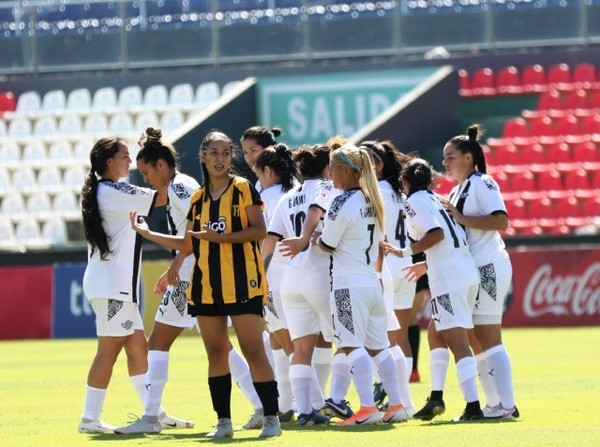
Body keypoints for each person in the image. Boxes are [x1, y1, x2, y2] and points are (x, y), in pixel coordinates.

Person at [129, 130, 281, 438]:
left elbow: (251, 231)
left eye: (226, 153)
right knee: (218, 350)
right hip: (202, 280)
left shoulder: (218, 189)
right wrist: (163, 251)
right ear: (203, 156)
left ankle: (270, 418)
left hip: (225, 278)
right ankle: (235, 416)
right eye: (214, 152)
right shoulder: (195, 194)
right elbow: (190, 240)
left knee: (248, 350)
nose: (220, 158)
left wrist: (209, 245)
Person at [382, 157, 484, 421]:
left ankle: (473, 406)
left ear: (404, 182)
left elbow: (436, 234)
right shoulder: (436, 199)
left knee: (458, 343)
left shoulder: (414, 202)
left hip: (450, 279)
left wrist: (404, 252)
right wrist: (426, 264)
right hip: (463, 271)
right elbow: (449, 239)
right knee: (436, 334)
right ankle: (436, 398)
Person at [317, 144, 409, 426]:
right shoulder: (374, 199)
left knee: (351, 345)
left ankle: (367, 408)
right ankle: (397, 404)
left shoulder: (342, 202)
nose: (330, 174)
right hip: (372, 282)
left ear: (346, 170)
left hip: (347, 284)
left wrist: (316, 240)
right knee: (380, 348)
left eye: (333, 168)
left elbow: (327, 243)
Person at [78, 136, 162, 433]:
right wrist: (163, 163)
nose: (130, 160)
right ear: (108, 160)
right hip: (114, 287)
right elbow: (160, 198)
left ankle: (154, 412)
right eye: (125, 155)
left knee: (138, 348)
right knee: (109, 350)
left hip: (116, 287)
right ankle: (89, 418)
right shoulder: (113, 190)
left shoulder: (105, 190)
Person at [441, 125, 518, 419]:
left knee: (488, 335)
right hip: (474, 267)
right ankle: (495, 401)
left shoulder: (483, 183)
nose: (445, 163)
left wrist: (461, 217)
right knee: (476, 337)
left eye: (450, 157)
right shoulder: (458, 188)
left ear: (469, 157)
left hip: (488, 265)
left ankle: (506, 404)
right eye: (445, 158)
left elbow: (501, 221)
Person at [263, 143, 338, 426]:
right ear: (328, 168)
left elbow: (269, 242)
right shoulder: (329, 191)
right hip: (321, 274)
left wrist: (254, 275)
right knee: (345, 340)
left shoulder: (288, 197)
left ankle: (306, 411)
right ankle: (339, 401)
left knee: (301, 348)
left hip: (291, 280)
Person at [360, 140, 416, 415]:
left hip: (387, 266)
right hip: (406, 264)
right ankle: (405, 400)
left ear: (377, 165)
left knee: (380, 339)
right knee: (400, 337)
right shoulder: (398, 192)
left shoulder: (376, 192)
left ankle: (391, 397)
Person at [252, 144, 299, 423]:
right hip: (303, 272)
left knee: (285, 340)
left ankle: (306, 401)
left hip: (274, 274)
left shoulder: (264, 197)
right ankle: (288, 402)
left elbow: (261, 240)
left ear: (268, 171)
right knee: (285, 341)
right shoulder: (296, 192)